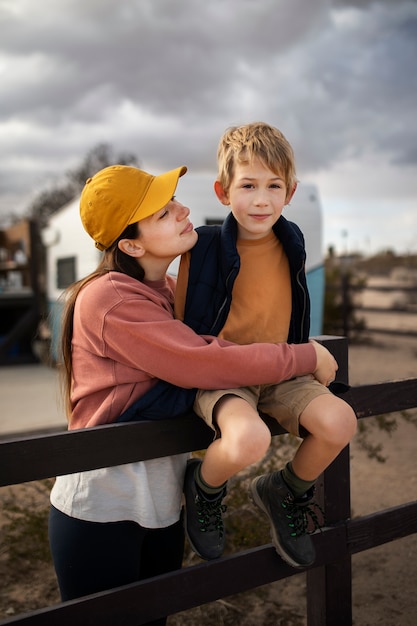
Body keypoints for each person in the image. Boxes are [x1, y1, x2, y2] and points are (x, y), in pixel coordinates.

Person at [48, 163, 338, 625]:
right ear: (131, 244)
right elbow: (204, 360)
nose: (183, 210)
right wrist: (303, 357)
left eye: (174, 202)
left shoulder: (164, 290)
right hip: (104, 507)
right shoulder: (111, 298)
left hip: (162, 499)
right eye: (163, 213)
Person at [176, 122, 357, 567]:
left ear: (290, 192)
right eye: (249, 185)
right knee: (247, 440)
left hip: (282, 370)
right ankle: (204, 487)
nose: (262, 199)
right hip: (227, 374)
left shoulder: (293, 241)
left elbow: (287, 305)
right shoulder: (202, 247)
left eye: (274, 186)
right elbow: (182, 323)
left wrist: (305, 350)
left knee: (341, 422)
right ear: (223, 191)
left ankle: (284, 490)